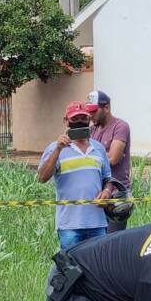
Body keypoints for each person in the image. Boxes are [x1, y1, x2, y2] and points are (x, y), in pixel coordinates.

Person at [37, 102, 113, 250]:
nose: (79, 121)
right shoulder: (54, 148)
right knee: (73, 271)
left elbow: (108, 178)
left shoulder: (98, 148)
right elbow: (42, 178)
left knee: (99, 269)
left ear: (89, 120)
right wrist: (58, 149)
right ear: (66, 121)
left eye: (83, 118)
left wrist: (107, 191)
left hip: (97, 223)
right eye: (74, 118)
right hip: (69, 226)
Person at [86, 90, 133, 233]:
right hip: (98, 196)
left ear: (106, 108)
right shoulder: (92, 130)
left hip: (116, 196)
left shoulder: (120, 126)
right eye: (88, 112)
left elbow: (113, 158)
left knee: (112, 242)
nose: (90, 116)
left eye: (93, 111)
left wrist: (89, 158)